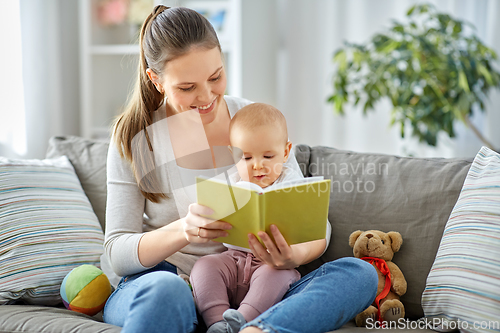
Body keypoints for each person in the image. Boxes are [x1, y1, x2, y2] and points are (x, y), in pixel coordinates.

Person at [102, 5, 378, 333]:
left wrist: (292, 256)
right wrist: (183, 230)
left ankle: (255, 329)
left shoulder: (255, 119)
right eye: (187, 87)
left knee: (359, 275)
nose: (206, 97)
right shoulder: (135, 137)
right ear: (156, 80)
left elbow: (318, 228)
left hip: (259, 289)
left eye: (216, 77)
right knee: (166, 290)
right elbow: (116, 253)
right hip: (173, 285)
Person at [189, 103, 306, 333]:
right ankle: (217, 323)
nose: (258, 165)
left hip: (272, 263)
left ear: (286, 151)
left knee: (277, 275)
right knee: (205, 266)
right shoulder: (231, 182)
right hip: (233, 259)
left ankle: (242, 321)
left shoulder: (292, 183)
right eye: (247, 157)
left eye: (268, 156)